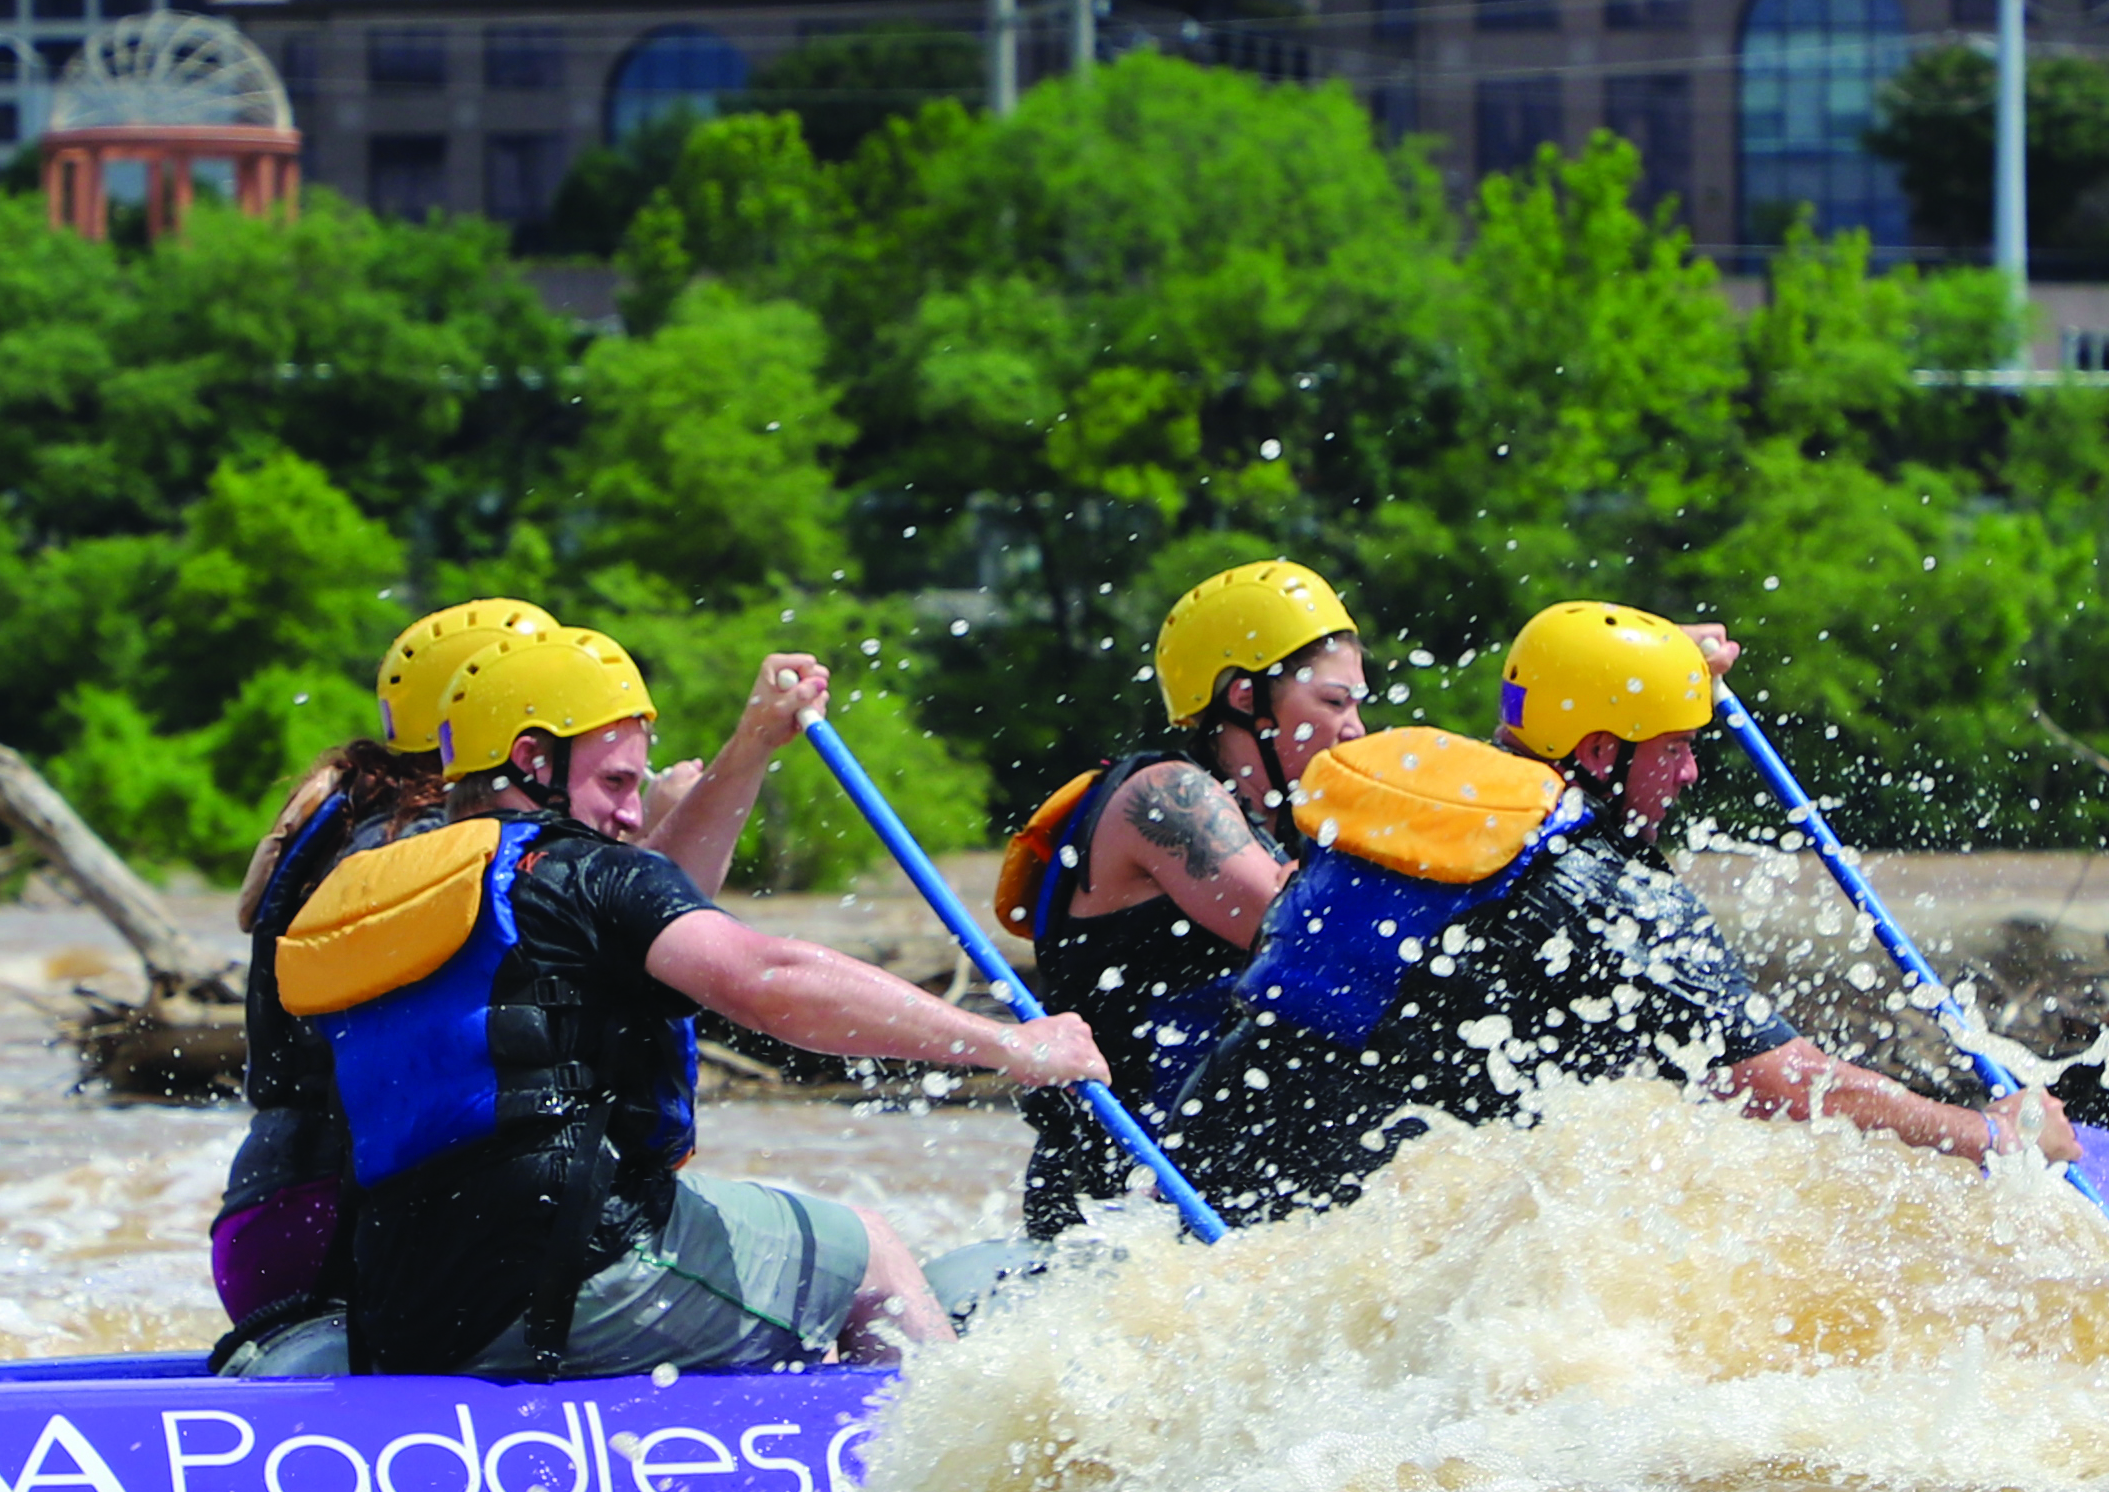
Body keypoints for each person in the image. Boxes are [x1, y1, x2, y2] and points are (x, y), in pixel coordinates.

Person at [254, 625, 1102, 1378]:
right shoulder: (574, 871)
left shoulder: (380, 891)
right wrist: (1017, 1048)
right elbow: (767, 980)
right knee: (871, 1249)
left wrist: (752, 744)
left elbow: (624, 932)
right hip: (576, 1277)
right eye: (619, 783)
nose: (631, 814)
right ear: (531, 760)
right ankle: (936, 1491)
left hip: (408, 1307)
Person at [1160, 597, 2076, 1221]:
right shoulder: (1605, 894)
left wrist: (1654, 666)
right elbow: (1783, 1082)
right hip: (1323, 1211)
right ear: (1599, 750)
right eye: (1673, 747)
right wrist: (1995, 1136)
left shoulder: (1441, 807)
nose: (1689, 773)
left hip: (1203, 1168)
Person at [214, 604, 839, 1336]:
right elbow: (615, 924)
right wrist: (677, 818)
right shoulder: (437, 845)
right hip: (344, 1230)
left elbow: (617, 922)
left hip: (272, 1222)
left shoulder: (375, 825)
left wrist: (733, 765)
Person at [990, 556, 1372, 1240]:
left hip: (1210, 1185)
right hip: (1115, 1206)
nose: (1356, 730)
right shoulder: (1167, 795)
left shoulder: (1282, 833)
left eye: (1359, 705)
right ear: (1245, 698)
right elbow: (1303, 933)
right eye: (1335, 703)